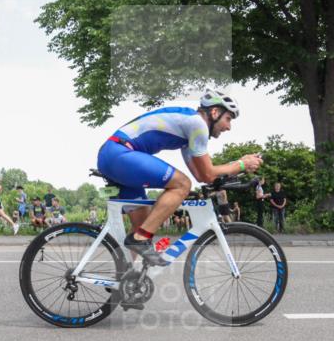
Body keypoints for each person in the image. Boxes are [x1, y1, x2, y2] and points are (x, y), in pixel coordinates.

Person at [95, 93, 261, 265]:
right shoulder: (197, 125)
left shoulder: (188, 136)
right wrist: (241, 164)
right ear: (214, 112)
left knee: (143, 224)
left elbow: (202, 176)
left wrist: (235, 167)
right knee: (182, 184)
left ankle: (124, 278)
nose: (229, 127)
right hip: (120, 154)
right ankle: (140, 239)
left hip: (116, 156)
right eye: (228, 119)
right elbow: (208, 174)